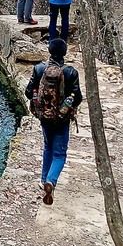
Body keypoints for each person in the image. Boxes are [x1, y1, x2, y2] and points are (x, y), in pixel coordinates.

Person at [25, 38, 83, 205]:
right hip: (62, 119)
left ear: (49, 51)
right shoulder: (71, 72)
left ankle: (44, 179)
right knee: (60, 153)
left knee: (47, 146)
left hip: (44, 117)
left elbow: (29, 92)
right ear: (64, 53)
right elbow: (77, 97)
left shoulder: (39, 69)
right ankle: (51, 180)